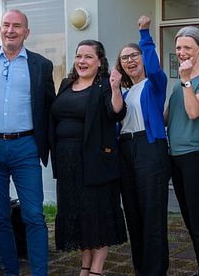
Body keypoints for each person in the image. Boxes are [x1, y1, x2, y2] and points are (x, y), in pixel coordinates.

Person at [0, 9, 55, 276]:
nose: (10, 30)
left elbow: (48, 108)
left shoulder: (41, 65)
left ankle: (40, 272)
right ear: (0, 29)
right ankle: (10, 271)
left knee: (33, 215)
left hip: (25, 147)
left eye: (16, 26)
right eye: (6, 25)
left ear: (26, 32)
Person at [50, 40, 128, 276]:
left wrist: (116, 89)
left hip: (94, 162)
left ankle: (96, 268)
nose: (82, 61)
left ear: (100, 61)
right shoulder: (65, 83)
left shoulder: (104, 85)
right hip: (66, 162)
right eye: (78, 56)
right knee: (78, 214)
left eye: (88, 57)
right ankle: (85, 264)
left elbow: (116, 112)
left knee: (98, 215)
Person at [114, 15, 170, 276]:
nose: (130, 61)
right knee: (133, 215)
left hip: (150, 148)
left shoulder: (154, 84)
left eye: (134, 56)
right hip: (126, 150)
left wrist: (144, 34)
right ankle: (141, 269)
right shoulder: (124, 93)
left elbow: (154, 67)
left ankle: (156, 271)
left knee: (152, 214)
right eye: (125, 58)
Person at [166, 26, 199, 276]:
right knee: (188, 218)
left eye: (187, 47)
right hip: (175, 157)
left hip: (197, 156)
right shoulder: (178, 85)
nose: (182, 52)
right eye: (178, 47)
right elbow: (167, 118)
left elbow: (194, 111)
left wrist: (187, 80)